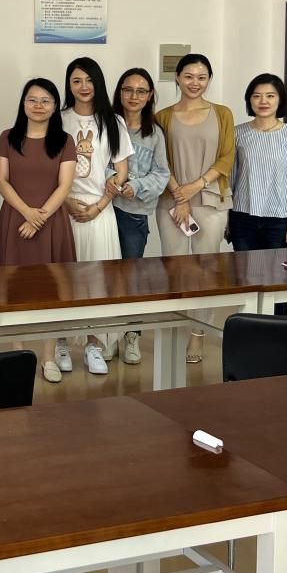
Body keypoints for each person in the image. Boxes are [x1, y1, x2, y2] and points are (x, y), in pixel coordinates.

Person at [0, 78, 77, 383]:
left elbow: (65, 185)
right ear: (23, 103)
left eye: (46, 101)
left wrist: (39, 217)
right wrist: (27, 212)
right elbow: (1, 181)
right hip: (15, 221)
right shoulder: (7, 137)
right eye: (32, 99)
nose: (38, 106)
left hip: (52, 223)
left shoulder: (65, 140)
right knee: (13, 289)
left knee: (53, 290)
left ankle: (48, 356)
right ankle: (19, 354)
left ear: (55, 106)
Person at [154, 53, 234, 364]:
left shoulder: (222, 114)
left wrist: (197, 186)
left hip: (210, 199)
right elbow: (160, 161)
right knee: (174, 267)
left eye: (201, 77)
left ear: (209, 79)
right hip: (172, 201)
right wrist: (181, 196)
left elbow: (227, 157)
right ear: (177, 78)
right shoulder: (162, 117)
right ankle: (175, 328)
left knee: (206, 269)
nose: (195, 83)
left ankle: (198, 334)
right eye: (188, 76)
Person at [61, 56, 132, 375]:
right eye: (77, 81)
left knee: (97, 281)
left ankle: (94, 344)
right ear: (69, 85)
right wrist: (65, 202)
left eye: (89, 80)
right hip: (64, 210)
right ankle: (60, 341)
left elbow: (121, 170)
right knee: (64, 279)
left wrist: (101, 204)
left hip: (99, 211)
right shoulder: (59, 119)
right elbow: (49, 168)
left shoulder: (113, 121)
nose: (83, 86)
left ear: (98, 83)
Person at [105, 67, 171, 364]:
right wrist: (110, 178)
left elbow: (162, 173)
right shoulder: (106, 125)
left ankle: (131, 334)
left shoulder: (154, 134)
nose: (134, 96)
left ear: (150, 96)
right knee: (104, 275)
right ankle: (107, 336)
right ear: (119, 92)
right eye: (128, 90)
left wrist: (137, 186)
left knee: (130, 277)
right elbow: (89, 162)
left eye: (141, 91)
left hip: (134, 214)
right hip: (103, 210)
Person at [229, 73, 287, 251]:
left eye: (270, 96)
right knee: (242, 267)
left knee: (275, 268)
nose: (263, 101)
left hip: (278, 220)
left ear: (280, 100)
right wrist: (225, 218)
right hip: (242, 217)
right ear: (249, 100)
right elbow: (229, 180)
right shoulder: (237, 133)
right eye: (256, 96)